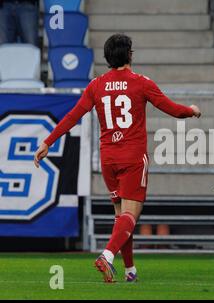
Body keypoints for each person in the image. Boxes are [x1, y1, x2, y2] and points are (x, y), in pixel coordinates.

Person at [34, 34, 201, 283]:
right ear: (130, 54)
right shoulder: (141, 83)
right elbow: (172, 109)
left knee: (122, 217)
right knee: (130, 215)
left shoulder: (96, 85)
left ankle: (130, 271)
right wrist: (192, 111)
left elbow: (72, 116)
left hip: (108, 158)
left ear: (107, 57)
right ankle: (107, 255)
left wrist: (48, 141)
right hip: (132, 157)